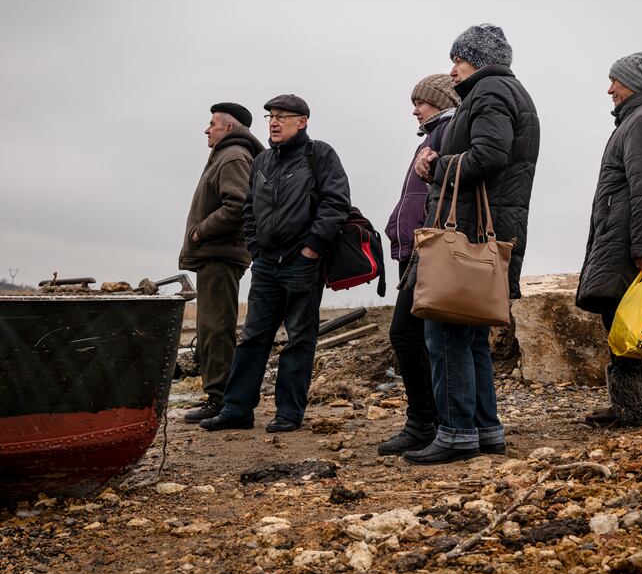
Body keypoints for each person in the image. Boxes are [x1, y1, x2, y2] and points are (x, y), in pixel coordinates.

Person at [404, 24, 540, 465]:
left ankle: (457, 431)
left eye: (458, 59)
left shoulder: (489, 93)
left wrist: (437, 165)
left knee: (446, 334)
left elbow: (489, 155)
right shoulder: (504, 91)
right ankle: (485, 429)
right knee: (471, 337)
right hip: (490, 229)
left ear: (478, 60)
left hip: (468, 232)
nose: (452, 68)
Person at [201, 94, 351, 433]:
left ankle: (288, 412)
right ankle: (236, 409)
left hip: (303, 262)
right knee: (253, 336)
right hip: (267, 263)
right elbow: (250, 208)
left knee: (299, 338)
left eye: (282, 116)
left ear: (303, 121)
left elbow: (336, 202)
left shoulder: (320, 154)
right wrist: (255, 248)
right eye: (270, 116)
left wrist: (312, 248)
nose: (274, 122)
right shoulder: (263, 161)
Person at [575, 52, 642, 428]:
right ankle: (629, 406)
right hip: (624, 242)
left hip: (630, 247)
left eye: (614, 81)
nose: (610, 89)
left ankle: (634, 410)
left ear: (634, 81)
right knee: (622, 325)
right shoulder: (638, 119)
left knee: (629, 326)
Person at [378, 74, 460, 455]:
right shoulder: (432, 136)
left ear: (442, 102)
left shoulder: (444, 133)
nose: (416, 109)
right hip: (416, 247)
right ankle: (432, 420)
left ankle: (424, 422)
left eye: (422, 102)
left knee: (407, 335)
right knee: (419, 338)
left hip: (428, 248)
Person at [179, 103, 265, 424]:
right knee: (211, 326)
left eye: (212, 124)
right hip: (217, 254)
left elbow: (238, 204)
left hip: (220, 254)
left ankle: (220, 399)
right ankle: (221, 397)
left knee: (216, 328)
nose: (207, 129)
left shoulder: (233, 156)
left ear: (228, 128)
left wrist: (201, 231)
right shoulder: (226, 155)